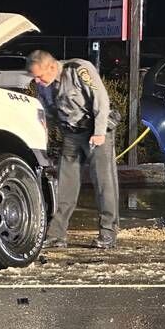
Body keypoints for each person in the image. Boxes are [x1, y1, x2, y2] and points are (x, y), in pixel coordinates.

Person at [27, 50, 120, 249]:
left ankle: (108, 233)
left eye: (39, 75)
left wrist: (100, 132)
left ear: (51, 67)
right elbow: (49, 114)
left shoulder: (79, 70)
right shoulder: (45, 84)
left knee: (104, 184)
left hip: (95, 131)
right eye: (34, 77)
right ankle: (56, 235)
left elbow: (101, 100)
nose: (37, 81)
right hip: (71, 134)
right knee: (65, 185)